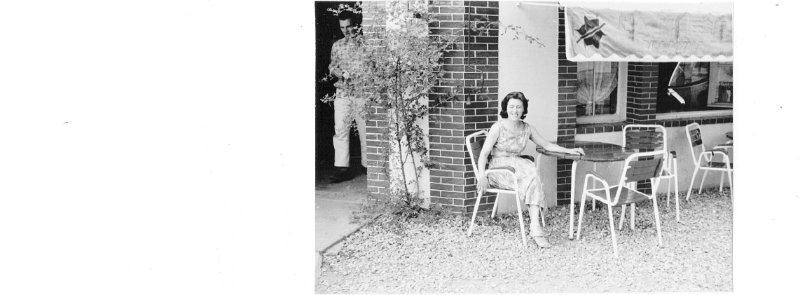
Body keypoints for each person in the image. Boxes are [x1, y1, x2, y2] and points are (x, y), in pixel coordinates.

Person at [476, 91, 584, 248]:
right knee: (532, 176)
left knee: (532, 174)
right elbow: (484, 154)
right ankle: (536, 228)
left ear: (524, 109)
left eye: (518, 107)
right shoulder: (497, 127)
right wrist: (481, 176)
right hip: (499, 170)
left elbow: (546, 145)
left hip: (517, 169)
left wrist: (570, 151)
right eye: (511, 107)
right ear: (506, 108)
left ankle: (535, 227)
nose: (515, 110)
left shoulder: (527, 128)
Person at [328, 9, 367, 183]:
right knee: (341, 130)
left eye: (349, 26)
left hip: (361, 93)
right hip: (343, 93)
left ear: (356, 25)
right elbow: (332, 67)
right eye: (343, 27)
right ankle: (342, 167)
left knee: (364, 130)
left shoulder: (366, 43)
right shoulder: (337, 45)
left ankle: (367, 166)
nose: (346, 30)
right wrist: (336, 72)